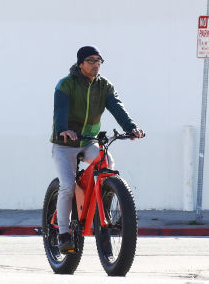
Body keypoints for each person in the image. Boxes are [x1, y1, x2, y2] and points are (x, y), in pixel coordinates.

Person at [50, 45, 145, 254]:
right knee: (67, 185)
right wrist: (63, 130)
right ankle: (63, 233)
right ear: (80, 64)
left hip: (88, 141)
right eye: (91, 60)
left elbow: (117, 108)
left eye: (99, 61)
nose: (96, 64)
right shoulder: (66, 84)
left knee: (107, 163)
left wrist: (131, 128)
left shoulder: (104, 86)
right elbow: (60, 110)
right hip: (65, 144)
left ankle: (104, 207)